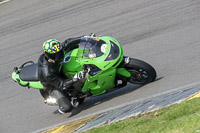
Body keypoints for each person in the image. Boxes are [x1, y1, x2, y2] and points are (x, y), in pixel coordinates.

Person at [38, 37, 85, 114]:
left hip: (60, 72)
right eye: (55, 55)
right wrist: (74, 78)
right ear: (48, 55)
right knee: (67, 107)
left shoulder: (57, 49)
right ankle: (59, 106)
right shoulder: (47, 72)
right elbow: (61, 84)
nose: (58, 55)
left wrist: (85, 38)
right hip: (53, 85)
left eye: (59, 52)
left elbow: (68, 42)